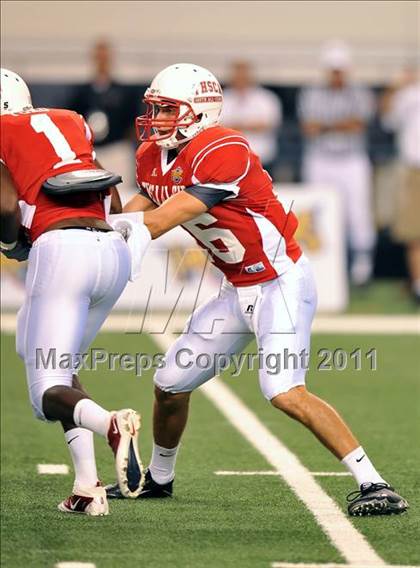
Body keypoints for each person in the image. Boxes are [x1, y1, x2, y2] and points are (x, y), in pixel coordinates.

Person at [105, 63, 408, 516]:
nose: (157, 119)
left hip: (279, 282)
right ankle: (159, 480)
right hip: (236, 287)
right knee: (170, 384)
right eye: (156, 109)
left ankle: (375, 483)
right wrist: (101, 226)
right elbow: (144, 203)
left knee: (283, 389)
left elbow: (160, 220)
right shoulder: (153, 154)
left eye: (168, 110)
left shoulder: (223, 149)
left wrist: (102, 228)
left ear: (199, 112)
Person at [0, 68, 144, 516]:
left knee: (45, 392)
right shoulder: (68, 120)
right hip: (111, 251)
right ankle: (87, 486)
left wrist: (9, 242)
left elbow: (5, 205)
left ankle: (110, 424)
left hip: (64, 251)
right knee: (41, 352)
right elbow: (112, 197)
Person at [298, 41, 376, 286]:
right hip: (320, 158)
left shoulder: (360, 92)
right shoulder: (312, 92)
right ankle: (324, 264)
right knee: (318, 210)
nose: (337, 75)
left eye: (340, 70)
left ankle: (361, 267)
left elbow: (358, 125)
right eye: (333, 70)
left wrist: (325, 126)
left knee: (358, 212)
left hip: (352, 159)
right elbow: (309, 128)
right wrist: (339, 125)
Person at [68, 40, 139, 201]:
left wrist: (124, 141)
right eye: (99, 56)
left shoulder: (124, 92)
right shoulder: (81, 92)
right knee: (92, 195)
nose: (102, 60)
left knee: (122, 193)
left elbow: (133, 121)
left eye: (105, 56)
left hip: (117, 149)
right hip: (92, 152)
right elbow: (71, 120)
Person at [380, 67, 420, 304]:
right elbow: (387, 120)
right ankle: (417, 286)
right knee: (413, 231)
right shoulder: (409, 93)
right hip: (413, 167)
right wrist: (395, 87)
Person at [221, 60, 282, 177]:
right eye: (237, 74)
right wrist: (250, 125)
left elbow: (268, 125)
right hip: (230, 161)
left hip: (262, 159)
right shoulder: (223, 97)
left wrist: (234, 126)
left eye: (244, 74)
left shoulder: (266, 98)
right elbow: (217, 127)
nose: (241, 77)